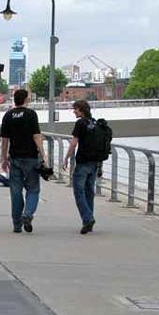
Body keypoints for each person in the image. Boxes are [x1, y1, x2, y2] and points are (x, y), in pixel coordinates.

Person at [0, 89, 49, 233]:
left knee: (15, 191)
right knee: (33, 189)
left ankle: (17, 224)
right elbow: (36, 136)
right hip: (31, 158)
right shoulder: (31, 114)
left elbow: (4, 140)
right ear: (26, 99)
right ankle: (27, 215)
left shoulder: (8, 115)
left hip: (15, 157)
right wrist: (44, 156)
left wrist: (3, 158)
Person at [63, 99, 99, 234]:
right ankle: (87, 221)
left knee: (78, 191)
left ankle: (88, 218)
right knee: (89, 192)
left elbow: (74, 143)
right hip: (94, 162)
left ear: (81, 110)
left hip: (83, 161)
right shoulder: (94, 123)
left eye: (75, 109)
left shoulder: (80, 123)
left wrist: (66, 158)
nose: (74, 111)